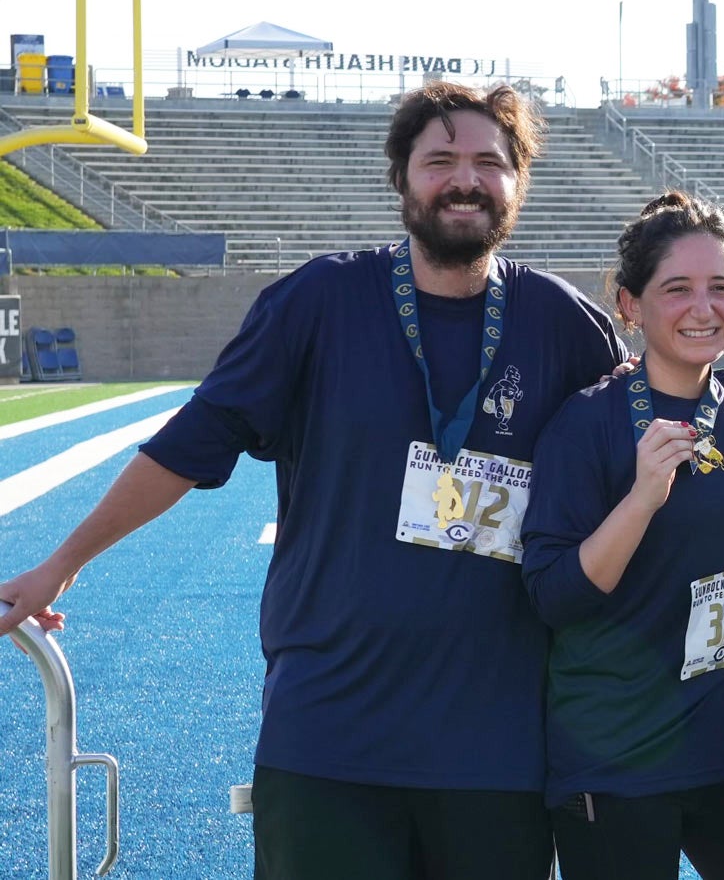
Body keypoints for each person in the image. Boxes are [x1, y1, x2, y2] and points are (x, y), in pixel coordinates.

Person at [0, 82, 626, 879]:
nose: (464, 180)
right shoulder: (317, 302)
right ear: (402, 179)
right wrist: (63, 561)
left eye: (488, 162)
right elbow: (191, 444)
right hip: (331, 730)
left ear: (517, 182)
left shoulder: (566, 326)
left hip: (497, 742)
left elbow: (630, 476)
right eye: (439, 161)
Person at [520, 191, 724, 879]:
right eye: (677, 288)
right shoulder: (587, 422)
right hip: (615, 758)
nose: (703, 307)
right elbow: (553, 596)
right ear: (629, 305)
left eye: (721, 287)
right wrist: (640, 500)